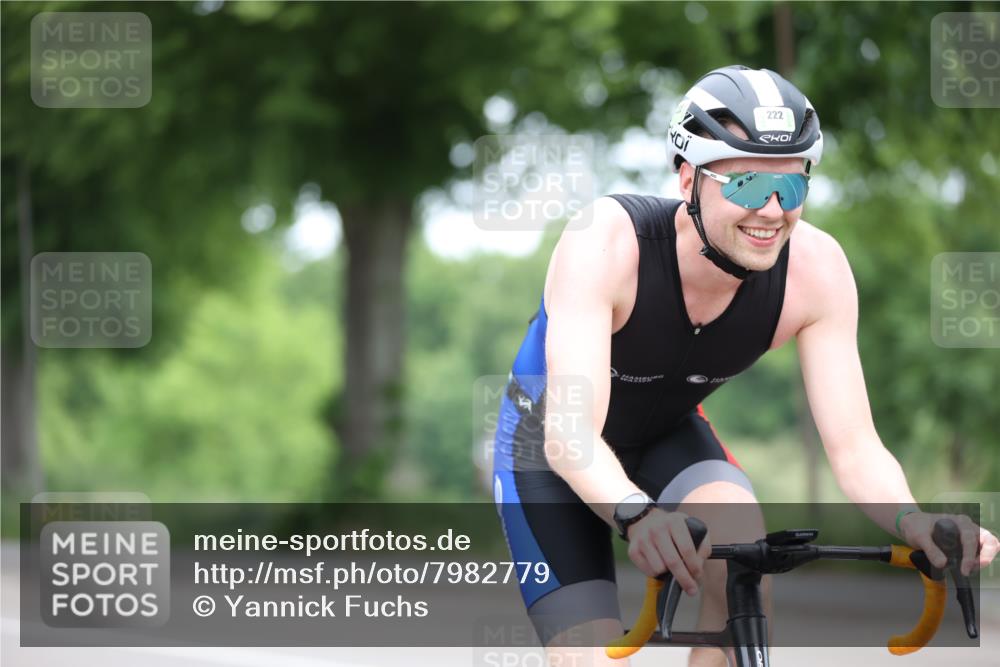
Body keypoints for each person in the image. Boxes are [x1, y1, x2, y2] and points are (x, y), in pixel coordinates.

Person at [491, 65, 999, 667]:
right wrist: (638, 514)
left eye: (793, 187)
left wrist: (912, 519)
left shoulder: (817, 271)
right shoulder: (607, 242)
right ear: (688, 179)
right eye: (749, 186)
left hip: (663, 437)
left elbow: (856, 448)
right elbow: (571, 436)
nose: (773, 211)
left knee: (746, 561)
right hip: (549, 446)